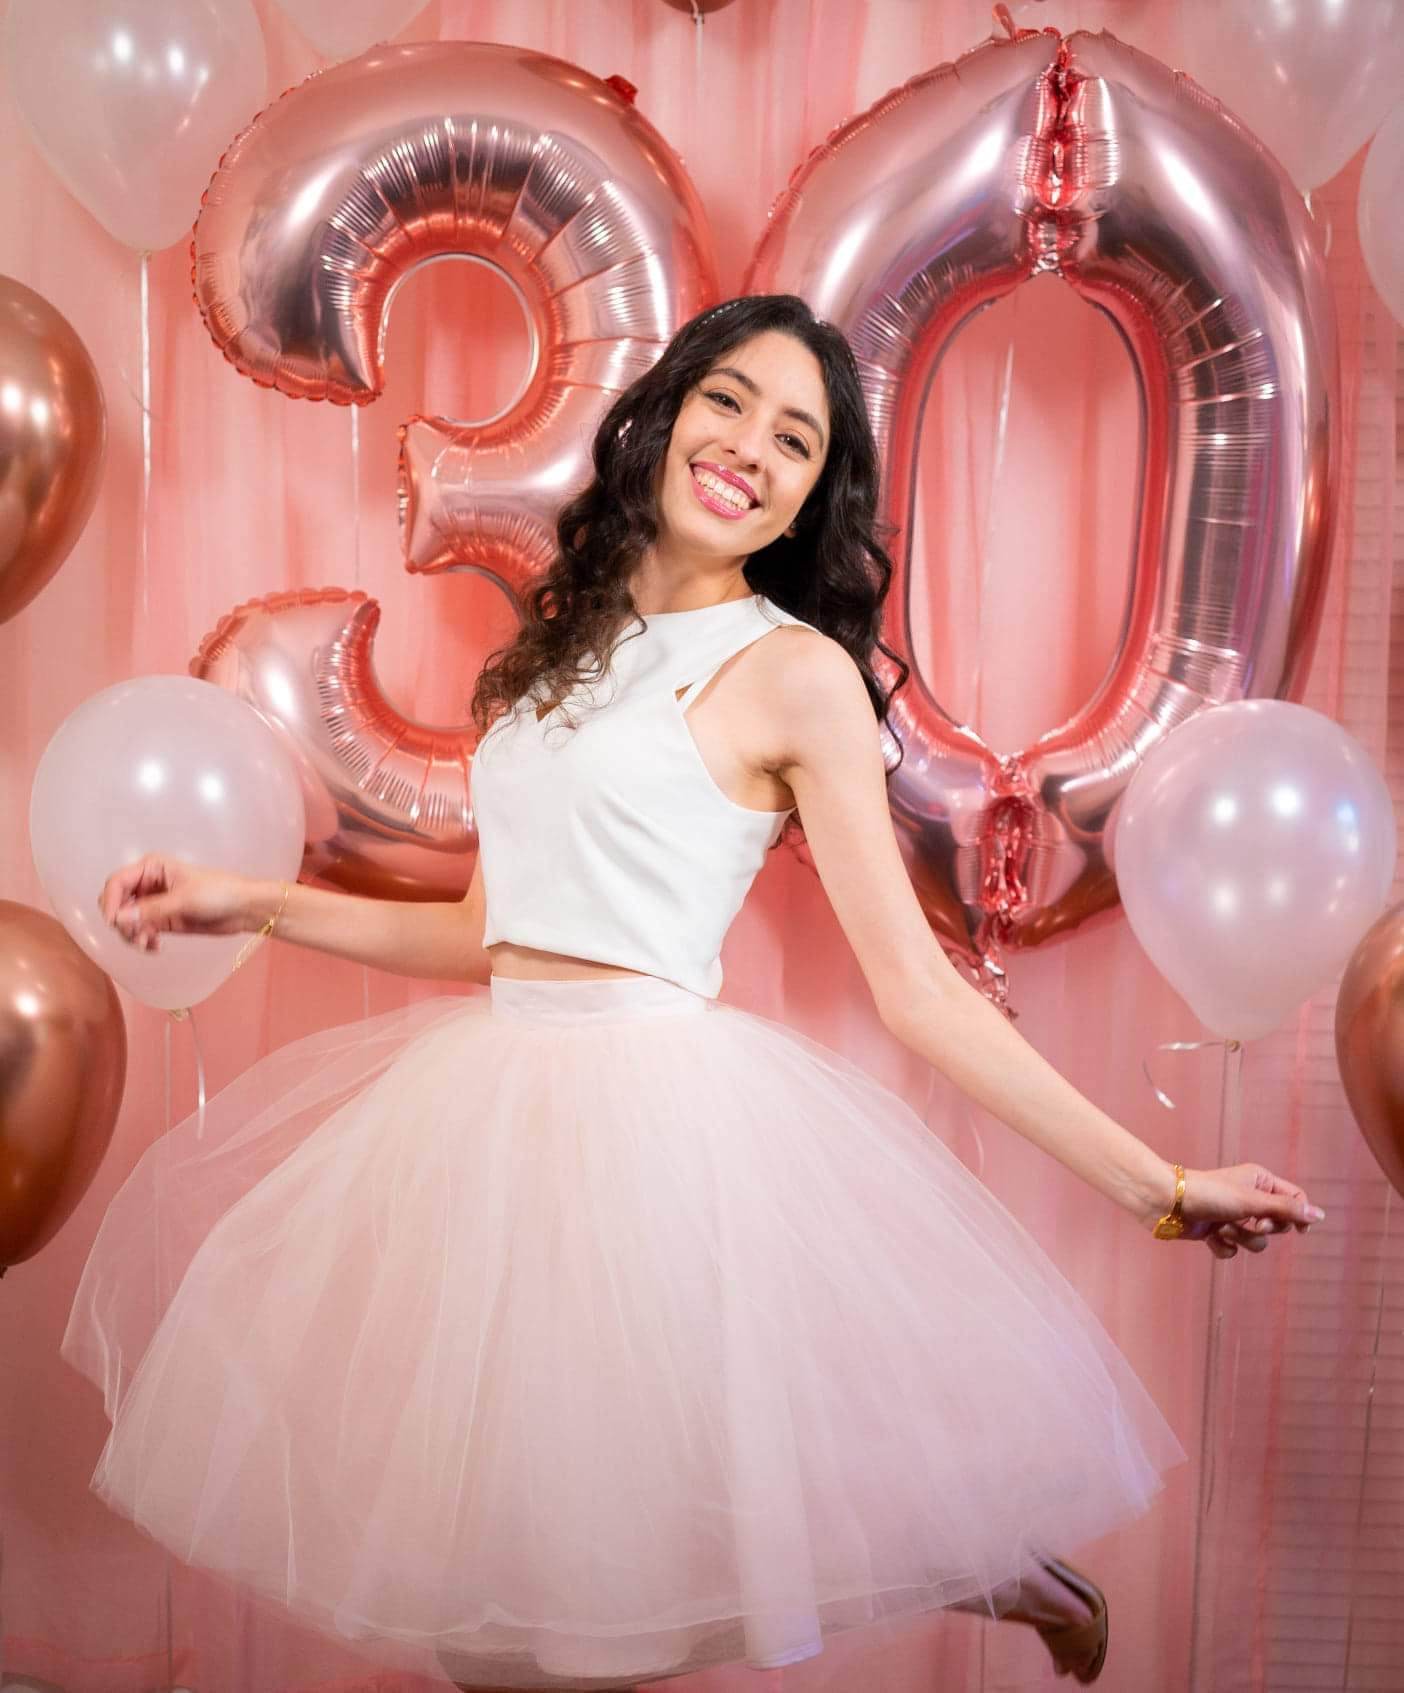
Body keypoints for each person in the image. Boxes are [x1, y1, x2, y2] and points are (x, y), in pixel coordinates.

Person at [72, 294, 1323, 1693]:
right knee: (486, 1611)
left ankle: (986, 1560)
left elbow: (919, 990)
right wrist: (255, 901)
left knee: (585, 1607)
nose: (750, 447)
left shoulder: (793, 676)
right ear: (665, 414)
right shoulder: (545, 663)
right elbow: (492, 935)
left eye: (797, 439)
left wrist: (1158, 1182)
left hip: (653, 1126)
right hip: (493, 1122)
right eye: (730, 400)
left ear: (809, 495)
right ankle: (975, 1559)